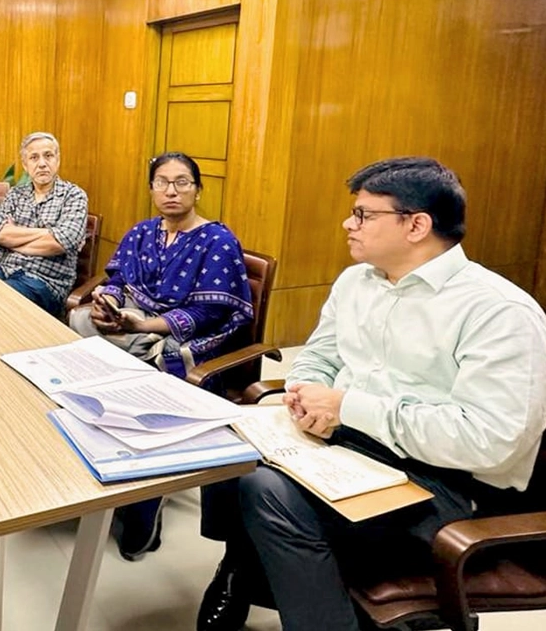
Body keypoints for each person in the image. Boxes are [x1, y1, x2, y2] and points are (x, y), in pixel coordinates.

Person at [195, 157, 546, 631]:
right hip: (355, 446)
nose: (348, 223)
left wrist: (348, 408)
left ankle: (258, 580)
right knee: (226, 444)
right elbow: (320, 357)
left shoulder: (498, 312)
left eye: (364, 215)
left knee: (267, 490)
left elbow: (487, 441)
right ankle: (242, 568)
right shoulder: (356, 282)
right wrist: (303, 395)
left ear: (417, 225)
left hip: (446, 485)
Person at [69, 152, 253, 561]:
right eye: (163, 182)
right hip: (132, 326)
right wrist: (108, 304)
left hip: (185, 338)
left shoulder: (217, 241)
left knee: (137, 385)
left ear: (198, 189)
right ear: (151, 188)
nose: (172, 191)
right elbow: (118, 280)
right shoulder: (141, 232)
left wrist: (142, 325)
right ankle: (91, 474)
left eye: (182, 182)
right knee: (79, 327)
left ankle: (144, 506)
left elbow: (209, 313)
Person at [0, 131, 88, 316]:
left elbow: (61, 242)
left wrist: (15, 237)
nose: (42, 163)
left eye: (48, 155)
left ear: (57, 159)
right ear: (26, 165)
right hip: (5, 269)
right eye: (34, 157)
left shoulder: (73, 195)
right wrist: (47, 232)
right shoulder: (15, 194)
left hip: (45, 282)